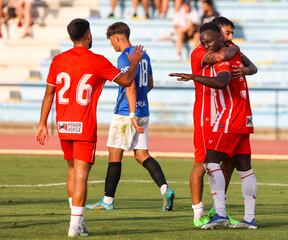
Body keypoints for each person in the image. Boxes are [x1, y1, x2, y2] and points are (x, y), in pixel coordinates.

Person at [35, 18, 144, 237]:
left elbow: (49, 94)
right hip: (83, 125)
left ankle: (79, 220)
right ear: (88, 35)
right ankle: (74, 226)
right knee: (82, 174)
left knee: (72, 171)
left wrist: (42, 124)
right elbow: (126, 80)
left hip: (64, 125)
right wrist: (134, 62)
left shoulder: (58, 60)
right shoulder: (96, 60)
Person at [169, 21, 257, 229]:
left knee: (215, 162)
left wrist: (193, 77)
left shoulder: (229, 50)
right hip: (209, 113)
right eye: (227, 32)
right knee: (210, 162)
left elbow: (246, 70)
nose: (230, 36)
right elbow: (221, 57)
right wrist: (235, 51)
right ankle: (200, 212)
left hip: (228, 113)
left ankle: (219, 212)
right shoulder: (203, 52)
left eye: (231, 33)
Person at [85, 22, 175, 212]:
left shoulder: (124, 58)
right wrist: (139, 104)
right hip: (143, 111)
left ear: (117, 37)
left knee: (114, 154)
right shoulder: (144, 55)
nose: (113, 46)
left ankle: (107, 201)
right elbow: (149, 83)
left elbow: (130, 86)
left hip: (127, 113)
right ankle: (165, 189)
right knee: (142, 154)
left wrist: (131, 112)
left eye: (112, 42)